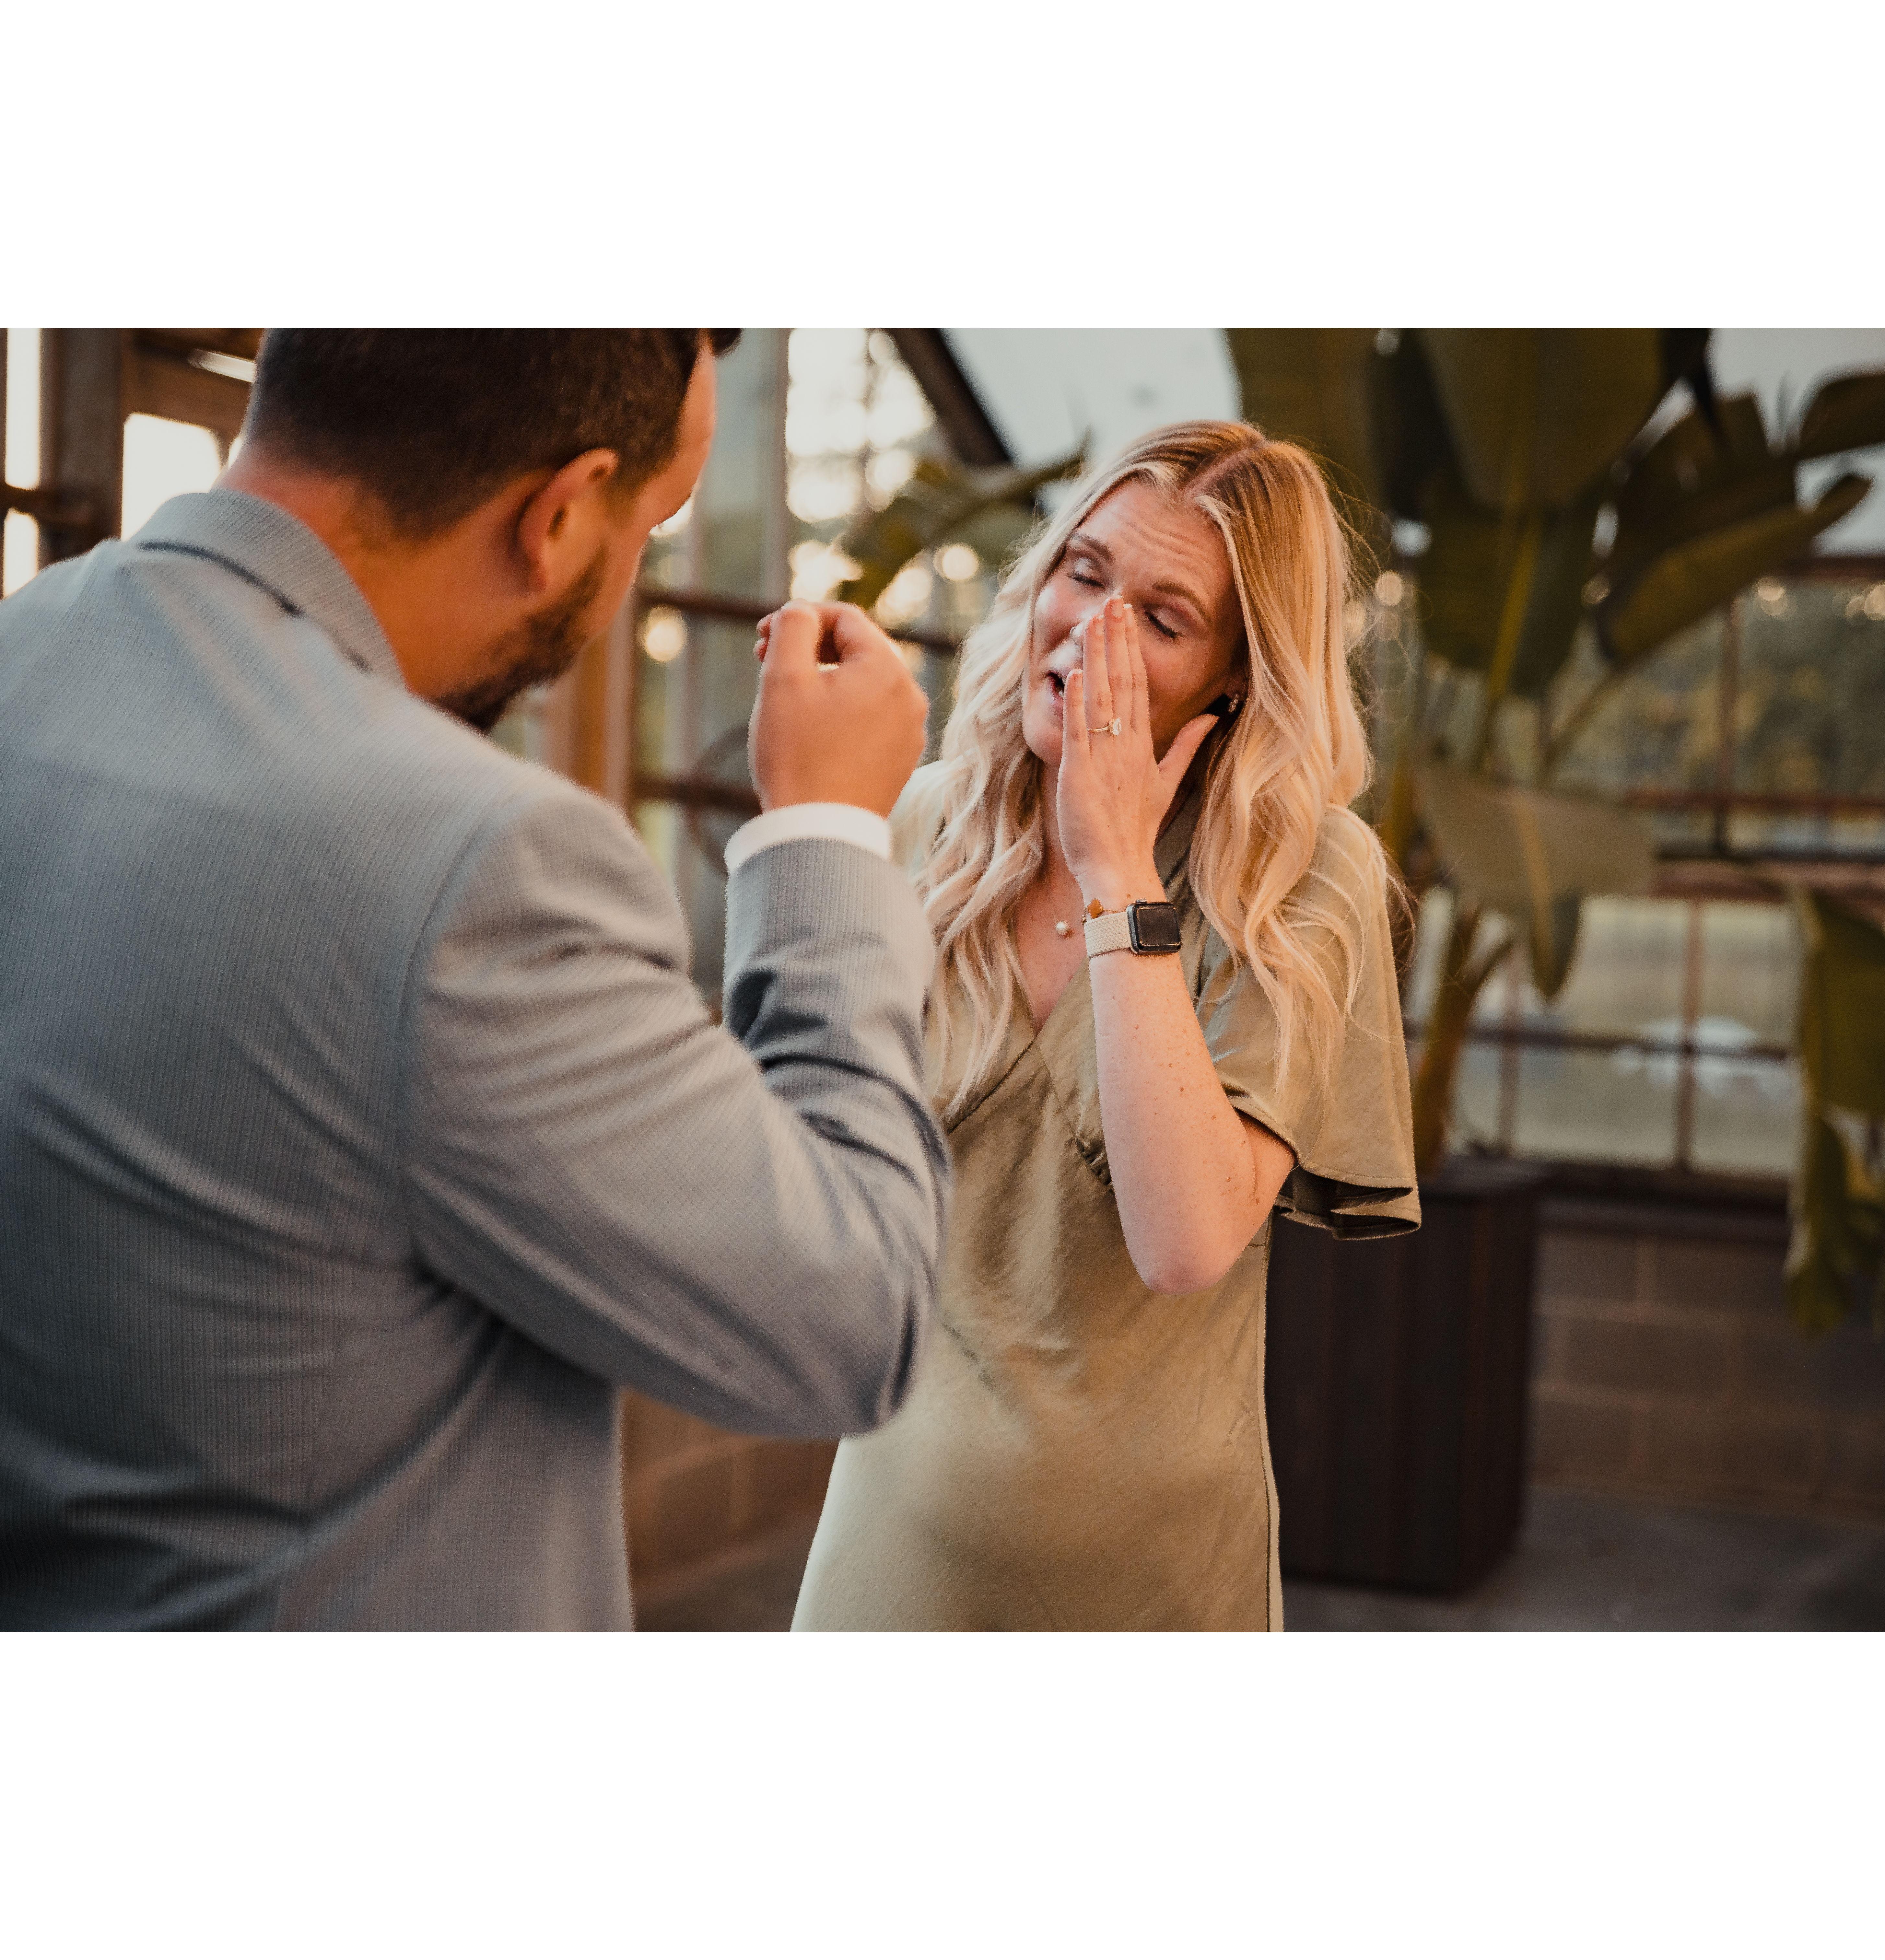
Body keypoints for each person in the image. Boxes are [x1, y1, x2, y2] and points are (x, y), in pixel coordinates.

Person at [0, 329, 949, 1630]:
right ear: (559, 517)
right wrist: (828, 833)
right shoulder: (472, 863)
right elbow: (850, 1317)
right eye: (649, 525)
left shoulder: (24, 653)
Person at [791, 422, 1420, 1632]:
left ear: (1236, 678)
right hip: (889, 1552)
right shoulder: (928, 824)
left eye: (1164, 620)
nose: (1093, 632)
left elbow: (1186, 1241)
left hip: (1157, 1591)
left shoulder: (1300, 878)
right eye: (1084, 573)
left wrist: (1117, 867)